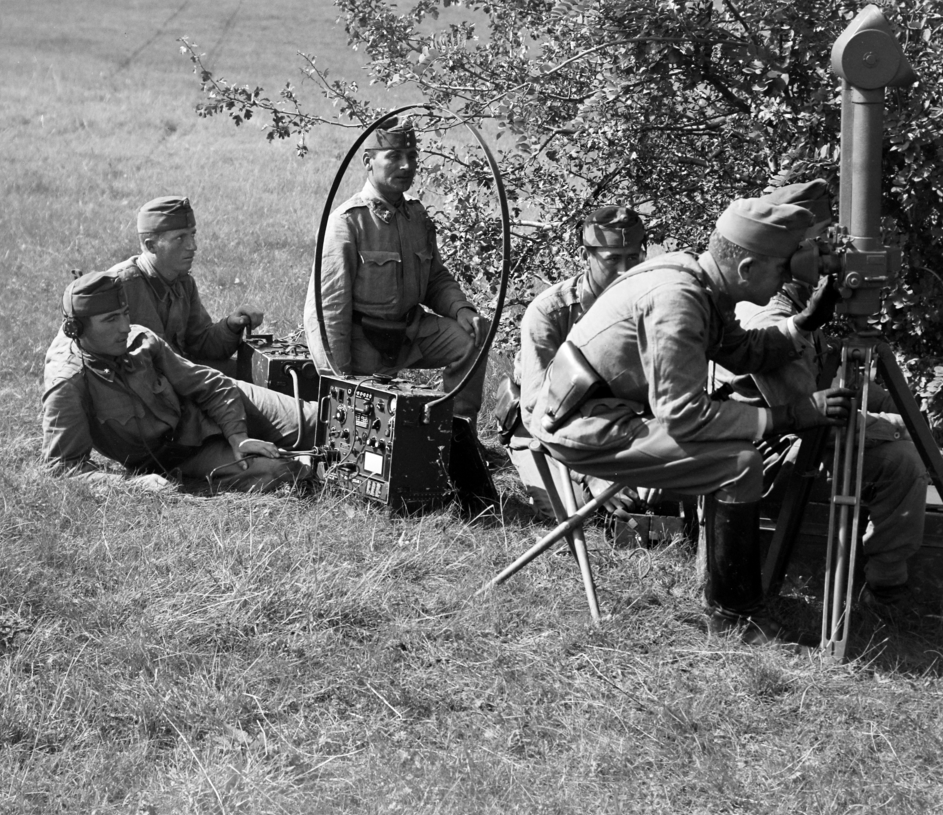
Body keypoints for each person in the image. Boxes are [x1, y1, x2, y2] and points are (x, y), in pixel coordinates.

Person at [527, 196, 841, 644]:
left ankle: (728, 604)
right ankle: (734, 618)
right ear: (747, 268)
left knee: (736, 456)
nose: (784, 281)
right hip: (581, 429)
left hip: (607, 413)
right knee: (739, 464)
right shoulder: (678, 298)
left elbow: (743, 352)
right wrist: (791, 415)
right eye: (780, 271)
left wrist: (804, 323)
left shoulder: (698, 278)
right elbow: (684, 416)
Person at [724, 179, 928, 610]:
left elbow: (829, 373)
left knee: (903, 429)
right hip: (773, 446)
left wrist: (898, 410)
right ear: (792, 250)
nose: (829, 257)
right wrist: (898, 429)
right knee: (901, 462)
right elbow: (811, 414)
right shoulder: (767, 310)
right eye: (820, 245)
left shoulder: (796, 297)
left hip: (805, 428)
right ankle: (887, 588)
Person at [304, 114, 498, 515]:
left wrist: (461, 310)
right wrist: (339, 380)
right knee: (365, 440)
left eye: (412, 155)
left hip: (410, 334)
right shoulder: (348, 224)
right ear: (369, 162)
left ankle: (457, 438)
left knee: (472, 339)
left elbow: (435, 278)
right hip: (362, 348)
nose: (406, 166)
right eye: (394, 156)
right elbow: (327, 311)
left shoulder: (417, 216)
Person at [43, 271, 316, 494]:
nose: (125, 327)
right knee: (281, 472)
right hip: (182, 455)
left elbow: (212, 386)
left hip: (222, 405)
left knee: (320, 424)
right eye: (111, 319)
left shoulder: (141, 340)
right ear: (76, 329)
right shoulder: (68, 383)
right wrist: (129, 484)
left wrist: (238, 437)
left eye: (125, 313)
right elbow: (63, 467)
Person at [500, 206, 648, 519]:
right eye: (612, 259)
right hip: (546, 430)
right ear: (585, 257)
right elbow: (536, 411)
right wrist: (591, 475)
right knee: (578, 509)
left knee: (660, 495)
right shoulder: (548, 313)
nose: (625, 270)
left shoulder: (650, 305)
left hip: (615, 426)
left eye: (633, 258)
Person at [109, 196, 264, 370]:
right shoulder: (118, 286)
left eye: (192, 234)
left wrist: (230, 326)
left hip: (178, 375)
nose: (193, 246)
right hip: (144, 385)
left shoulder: (183, 282)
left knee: (255, 376)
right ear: (152, 246)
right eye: (180, 238)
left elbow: (200, 343)